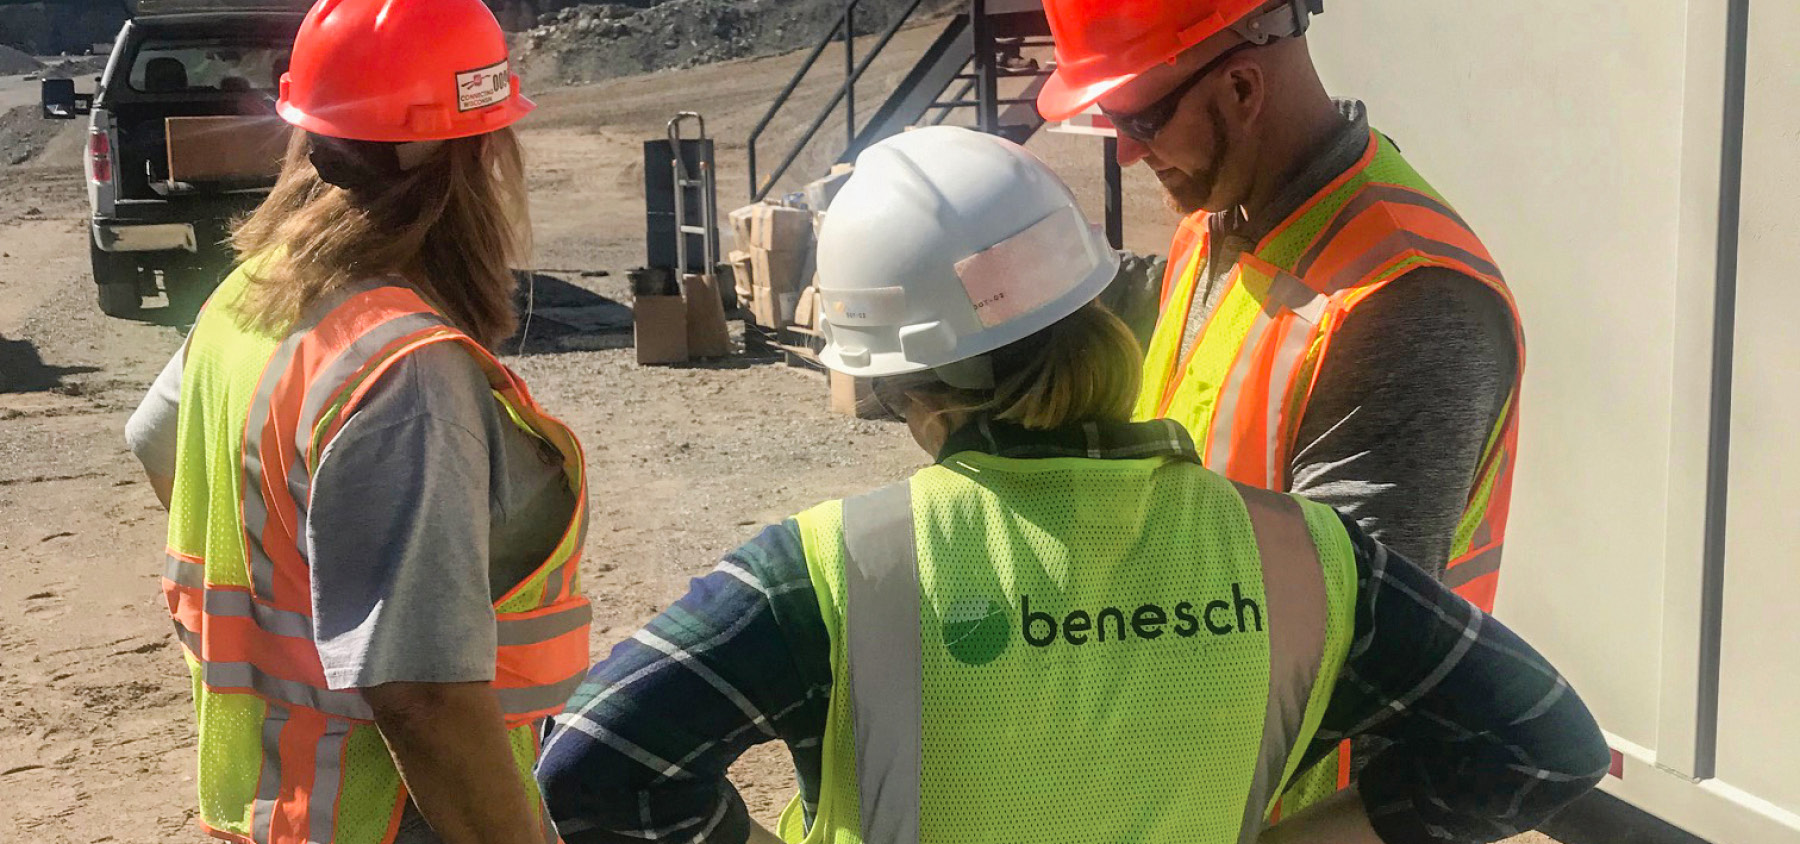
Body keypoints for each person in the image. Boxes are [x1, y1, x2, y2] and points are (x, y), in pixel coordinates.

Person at [534, 128, 1604, 844]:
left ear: (903, 388)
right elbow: (1548, 748)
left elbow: (590, 773)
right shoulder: (1312, 564)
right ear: (1096, 307)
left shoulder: (822, 576)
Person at [125, 0, 591, 844]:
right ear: (474, 150)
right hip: (391, 817)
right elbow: (421, 695)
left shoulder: (247, 295)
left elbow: (157, 444)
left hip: (277, 808)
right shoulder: (404, 371)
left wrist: (306, 598)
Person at [1038, 0, 1522, 611]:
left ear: (1241, 89)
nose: (1124, 151)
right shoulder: (1227, 214)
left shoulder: (1408, 306)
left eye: (1138, 119)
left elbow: (1341, 631)